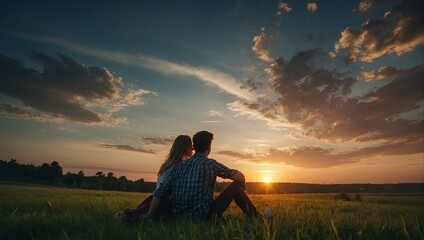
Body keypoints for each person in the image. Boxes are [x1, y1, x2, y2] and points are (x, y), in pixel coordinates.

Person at [144, 130, 269, 220]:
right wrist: (242, 184)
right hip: (204, 217)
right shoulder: (210, 164)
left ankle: (252, 216)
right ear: (209, 147)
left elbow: (161, 191)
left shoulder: (180, 165)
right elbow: (240, 177)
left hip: (179, 216)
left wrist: (149, 214)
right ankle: (257, 217)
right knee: (236, 186)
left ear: (195, 146)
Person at [114, 135, 193, 221]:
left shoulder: (165, 165)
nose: (192, 149)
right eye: (190, 147)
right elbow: (162, 190)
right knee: (144, 218)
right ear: (185, 148)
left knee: (138, 214)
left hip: (153, 199)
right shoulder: (180, 165)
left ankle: (123, 215)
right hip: (163, 202)